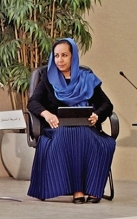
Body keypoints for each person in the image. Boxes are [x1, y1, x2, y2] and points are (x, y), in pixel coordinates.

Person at [27, 38, 115, 203]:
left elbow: (107, 104)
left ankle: (94, 189)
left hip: (85, 127)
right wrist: (47, 114)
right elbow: (33, 102)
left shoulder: (87, 78)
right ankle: (78, 190)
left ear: (73, 57)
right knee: (69, 135)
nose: (59, 60)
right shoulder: (47, 78)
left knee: (92, 139)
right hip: (56, 128)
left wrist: (97, 115)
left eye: (64, 55)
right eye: (56, 56)